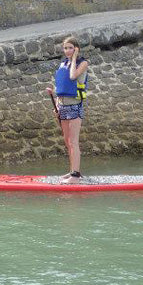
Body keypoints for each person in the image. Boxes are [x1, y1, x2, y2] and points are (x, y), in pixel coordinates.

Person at [49, 37, 89, 184]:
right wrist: (57, 105)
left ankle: (76, 175)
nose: (67, 51)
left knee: (73, 141)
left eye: (70, 48)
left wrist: (74, 58)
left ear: (76, 49)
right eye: (65, 48)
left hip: (75, 106)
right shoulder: (63, 64)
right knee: (67, 141)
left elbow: (73, 76)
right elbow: (62, 87)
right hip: (63, 106)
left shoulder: (82, 63)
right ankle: (72, 169)